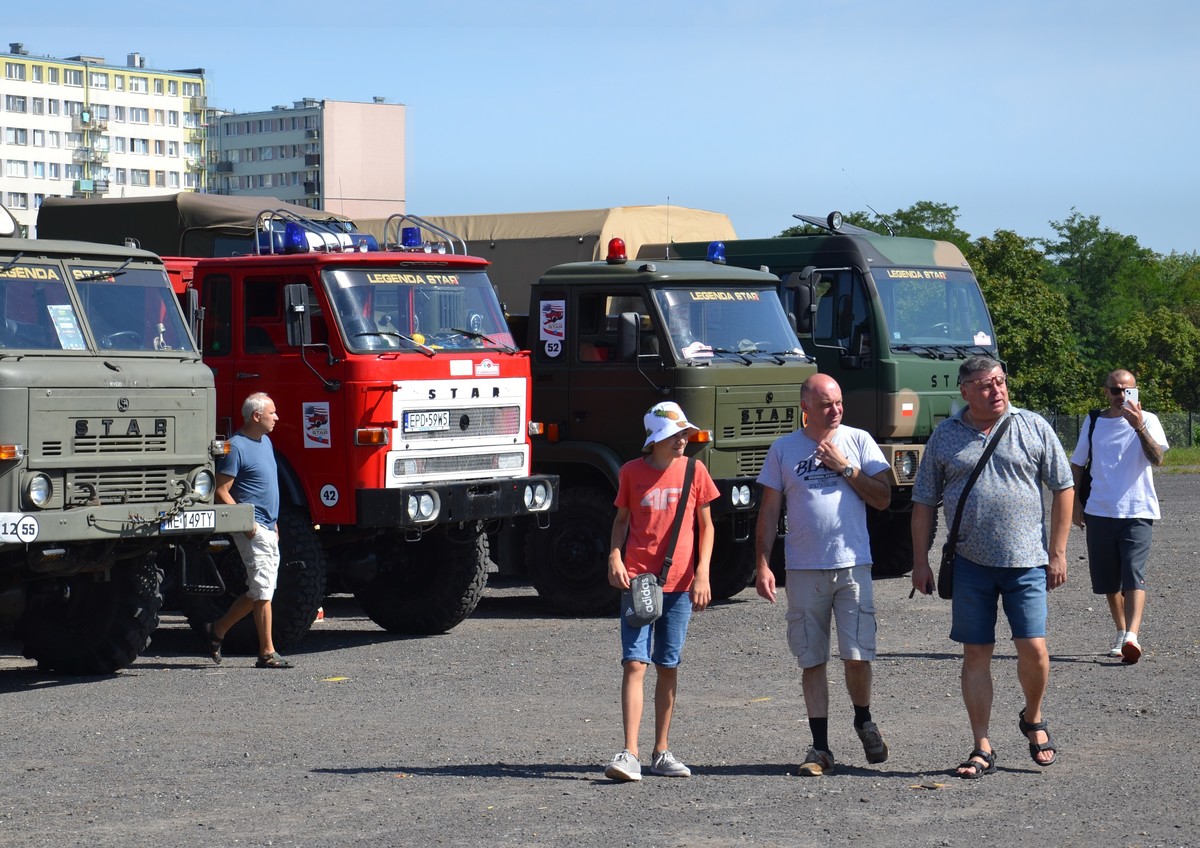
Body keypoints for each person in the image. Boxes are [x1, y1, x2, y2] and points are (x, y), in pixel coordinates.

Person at [910, 356, 1072, 778]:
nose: (995, 390)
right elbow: (924, 502)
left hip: (1027, 563)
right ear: (964, 391)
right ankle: (981, 745)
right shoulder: (946, 436)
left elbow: (1064, 486)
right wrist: (920, 562)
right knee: (976, 654)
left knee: (1033, 648)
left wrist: (1057, 552)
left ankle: (1033, 717)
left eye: (1000, 381)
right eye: (984, 385)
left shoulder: (1033, 426)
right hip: (969, 565)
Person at [754, 374, 893, 777]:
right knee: (811, 659)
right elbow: (768, 511)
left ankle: (863, 720)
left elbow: (884, 498)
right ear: (806, 409)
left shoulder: (860, 440)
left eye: (839, 402)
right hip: (803, 568)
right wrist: (763, 563)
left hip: (852, 564)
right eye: (826, 404)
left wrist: (846, 468)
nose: (835, 410)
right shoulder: (783, 449)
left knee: (857, 654)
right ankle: (820, 748)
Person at [603, 401, 719, 782]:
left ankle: (662, 750)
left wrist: (702, 574)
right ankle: (630, 753)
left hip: (681, 585)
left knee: (668, 666)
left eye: (684, 434)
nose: (682, 441)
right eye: (674, 435)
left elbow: (707, 527)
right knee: (635, 663)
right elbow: (621, 521)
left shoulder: (694, 470)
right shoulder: (630, 473)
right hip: (638, 581)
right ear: (655, 439)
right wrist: (614, 557)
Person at [1070, 370, 1167, 664]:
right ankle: (1121, 631)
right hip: (1099, 511)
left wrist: (1138, 427)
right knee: (1108, 582)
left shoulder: (1148, 419)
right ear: (1106, 391)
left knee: (1133, 575)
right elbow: (1076, 465)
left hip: (1138, 510)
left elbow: (1158, 458)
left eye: (1127, 390)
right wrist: (1075, 505)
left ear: (1136, 391)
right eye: (1115, 390)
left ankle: (1132, 637)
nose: (1120, 396)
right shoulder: (1094, 421)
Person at [202, 392, 293, 669]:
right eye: (272, 413)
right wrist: (248, 524)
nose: (277, 417)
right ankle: (267, 653)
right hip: (253, 529)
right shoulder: (236, 446)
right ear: (256, 416)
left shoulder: (265, 442)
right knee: (264, 590)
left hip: (268, 526)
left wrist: (273, 521)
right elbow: (220, 490)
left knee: (259, 590)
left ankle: (216, 630)